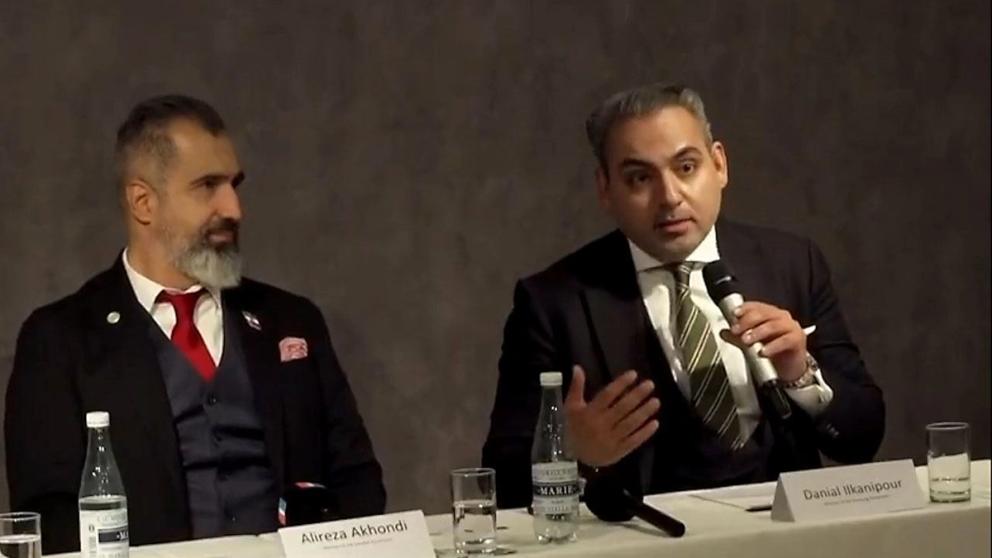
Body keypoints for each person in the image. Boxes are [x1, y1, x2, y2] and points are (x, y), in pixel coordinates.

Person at [5, 95, 385, 552]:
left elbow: (357, 482)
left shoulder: (292, 319)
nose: (234, 208)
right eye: (208, 186)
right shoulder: (60, 341)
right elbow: (51, 517)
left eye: (235, 185)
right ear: (143, 202)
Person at [482, 83, 885, 508]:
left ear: (719, 165)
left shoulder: (792, 263)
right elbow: (501, 481)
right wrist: (572, 453)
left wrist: (801, 375)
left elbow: (863, 438)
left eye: (687, 167)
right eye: (640, 178)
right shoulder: (552, 302)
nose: (670, 197)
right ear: (605, 190)